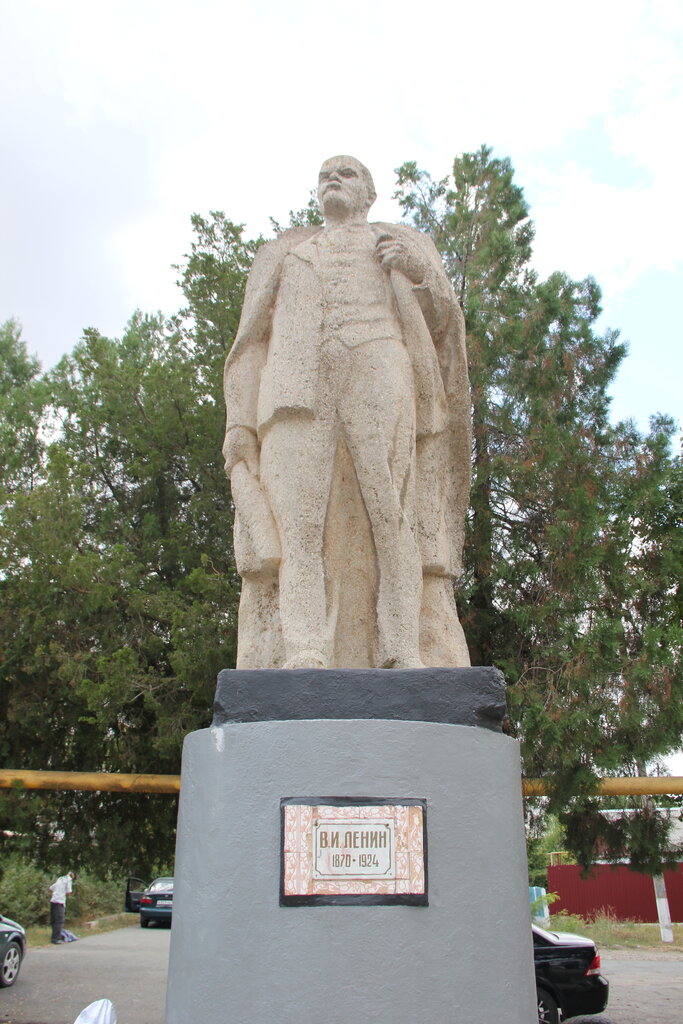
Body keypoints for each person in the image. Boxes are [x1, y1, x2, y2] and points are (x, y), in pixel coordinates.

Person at [223, 155, 471, 670]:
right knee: (299, 530)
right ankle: (306, 649)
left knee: (391, 514)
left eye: (347, 173)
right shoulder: (286, 254)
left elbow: (445, 319)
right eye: (324, 174)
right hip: (295, 392)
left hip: (379, 367)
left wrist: (420, 270)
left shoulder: (402, 243)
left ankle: (402, 649)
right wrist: (240, 424)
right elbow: (248, 345)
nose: (333, 179)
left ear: (369, 194)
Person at [49, 870, 76, 944]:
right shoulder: (68, 880)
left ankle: (54, 936)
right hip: (60, 902)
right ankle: (56, 939)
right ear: (73, 876)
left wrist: (56, 894)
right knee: (59, 921)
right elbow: (68, 892)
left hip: (53, 901)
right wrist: (64, 896)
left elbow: (51, 888)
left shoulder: (60, 879)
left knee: (54, 920)